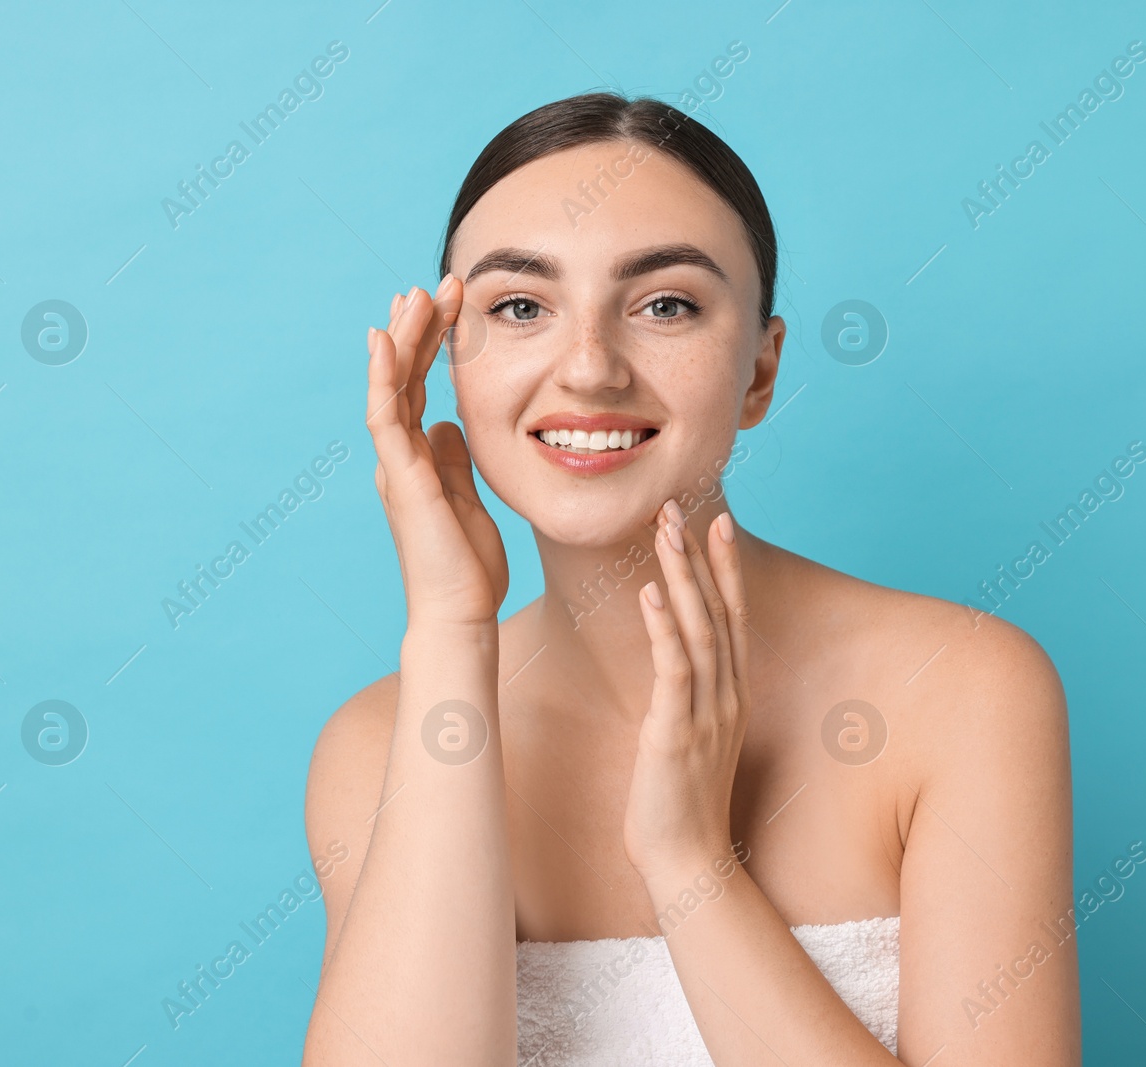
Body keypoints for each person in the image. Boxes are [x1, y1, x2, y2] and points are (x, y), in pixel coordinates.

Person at [302, 92, 1079, 1066]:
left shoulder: (961, 690)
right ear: (447, 361)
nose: (588, 368)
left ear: (759, 368)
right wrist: (453, 638)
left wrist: (692, 867)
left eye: (664, 302)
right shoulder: (376, 744)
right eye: (519, 305)